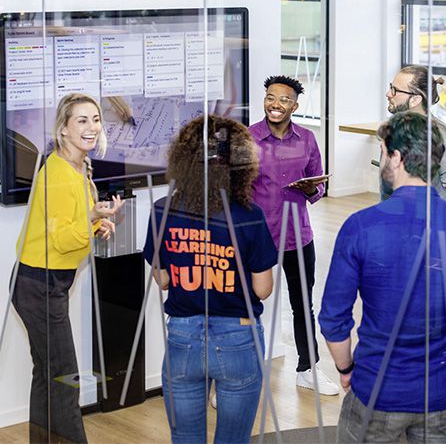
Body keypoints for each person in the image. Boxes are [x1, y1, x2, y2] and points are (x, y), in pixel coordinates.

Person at [319, 111, 446, 443]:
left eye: (383, 150)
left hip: (375, 389)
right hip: (441, 395)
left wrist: (346, 368)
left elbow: (334, 319)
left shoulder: (361, 226)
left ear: (397, 156)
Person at [143, 115, 278, 444]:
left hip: (182, 337)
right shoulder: (249, 216)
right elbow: (262, 288)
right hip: (238, 338)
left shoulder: (163, 210)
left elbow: (161, 279)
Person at [12, 93, 123, 443]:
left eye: (95, 119)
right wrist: (90, 218)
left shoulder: (78, 166)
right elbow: (59, 240)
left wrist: (95, 224)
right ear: (63, 129)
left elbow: (66, 228)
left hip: (47, 282)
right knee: (63, 374)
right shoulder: (59, 173)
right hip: (39, 283)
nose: (92, 127)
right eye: (81, 120)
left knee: (48, 373)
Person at [249, 75, 339, 395]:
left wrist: (313, 188)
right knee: (246, 305)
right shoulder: (248, 139)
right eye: (270, 97)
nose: (276, 104)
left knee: (302, 304)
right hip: (258, 237)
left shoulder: (308, 139)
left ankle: (308, 369)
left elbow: (319, 186)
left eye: (284, 100)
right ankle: (241, 373)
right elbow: (236, 190)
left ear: (295, 106)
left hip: (297, 236)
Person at [385, 65, 446, 207]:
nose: (388, 93)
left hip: (430, 222)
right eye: (391, 87)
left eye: (395, 90)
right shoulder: (393, 129)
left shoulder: (442, 137)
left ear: (415, 100)